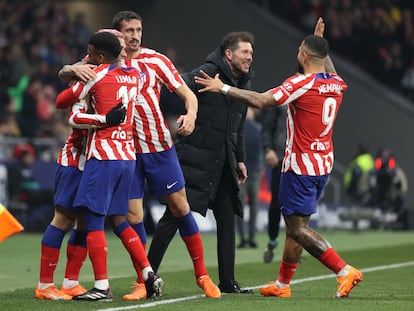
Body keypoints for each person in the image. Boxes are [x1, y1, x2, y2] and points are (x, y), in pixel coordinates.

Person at [194, 17, 364, 299]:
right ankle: (283, 285)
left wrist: (222, 87)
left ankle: (344, 271)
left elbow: (261, 100)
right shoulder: (336, 83)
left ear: (305, 56)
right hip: (322, 164)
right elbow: (324, 60)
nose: (297, 53)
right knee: (296, 227)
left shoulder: (300, 83)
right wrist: (318, 40)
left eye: (300, 50)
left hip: (299, 165)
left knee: (297, 228)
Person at [111, 11, 220, 299]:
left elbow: (189, 94)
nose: (135, 35)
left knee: (181, 208)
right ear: (118, 34)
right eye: (129, 31)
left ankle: (203, 276)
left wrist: (191, 115)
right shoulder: (106, 62)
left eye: (138, 29)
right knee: (133, 215)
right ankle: (142, 281)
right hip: (125, 151)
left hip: (159, 146)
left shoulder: (156, 60)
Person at [54, 31, 162, 302]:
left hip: (103, 157)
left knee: (91, 220)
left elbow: (68, 110)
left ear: (99, 57)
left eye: (90, 54)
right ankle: (148, 272)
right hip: (128, 156)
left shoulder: (96, 75)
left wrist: (77, 76)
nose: (87, 58)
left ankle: (101, 286)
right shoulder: (136, 75)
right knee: (120, 220)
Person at [148, 31, 255, 294]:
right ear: (228, 54)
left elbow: (237, 127)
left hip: (224, 164)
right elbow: (177, 89)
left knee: (227, 221)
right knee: (172, 218)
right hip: (195, 160)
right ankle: (146, 276)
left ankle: (228, 282)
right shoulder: (206, 73)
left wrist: (239, 158)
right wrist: (184, 115)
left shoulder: (243, 84)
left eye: (251, 53)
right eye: (245, 52)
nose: (249, 57)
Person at [260, 104, 287, 263]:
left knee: (298, 208)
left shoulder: (310, 95)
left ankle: (294, 246)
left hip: (301, 160)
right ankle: (272, 241)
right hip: (281, 158)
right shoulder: (283, 96)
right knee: (276, 204)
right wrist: (268, 148)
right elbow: (267, 126)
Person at [236, 107, 262, 249]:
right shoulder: (258, 128)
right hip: (255, 171)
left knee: (240, 205)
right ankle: (252, 236)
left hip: (240, 171)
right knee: (254, 205)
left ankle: (242, 238)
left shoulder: (239, 129)